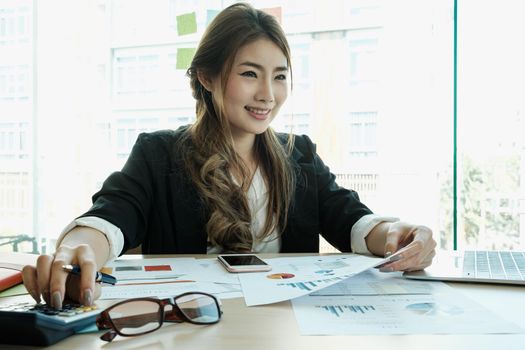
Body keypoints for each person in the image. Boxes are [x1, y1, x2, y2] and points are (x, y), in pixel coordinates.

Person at [22, 2, 436, 309]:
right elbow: (112, 216)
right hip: (191, 328)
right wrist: (78, 246)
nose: (267, 96)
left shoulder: (299, 155)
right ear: (207, 76)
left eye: (279, 76)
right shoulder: (159, 153)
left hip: (282, 326)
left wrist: (398, 234)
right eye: (249, 73)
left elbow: (352, 221)